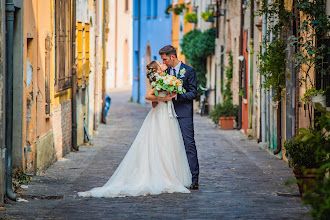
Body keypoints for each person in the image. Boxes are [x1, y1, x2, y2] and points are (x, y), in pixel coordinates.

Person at [78, 61, 192, 198]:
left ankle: (167, 173)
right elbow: (148, 96)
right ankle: (162, 175)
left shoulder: (165, 78)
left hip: (166, 113)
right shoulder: (160, 79)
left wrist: (169, 93)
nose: (162, 63)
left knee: (167, 142)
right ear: (157, 70)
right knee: (160, 142)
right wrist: (165, 98)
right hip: (161, 114)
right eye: (160, 63)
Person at [154, 45, 199, 190]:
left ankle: (194, 178)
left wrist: (178, 96)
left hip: (183, 113)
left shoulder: (189, 71)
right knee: (169, 146)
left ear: (172, 57)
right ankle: (173, 177)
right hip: (166, 113)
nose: (164, 62)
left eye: (165, 59)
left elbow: (193, 93)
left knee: (188, 144)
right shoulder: (163, 72)